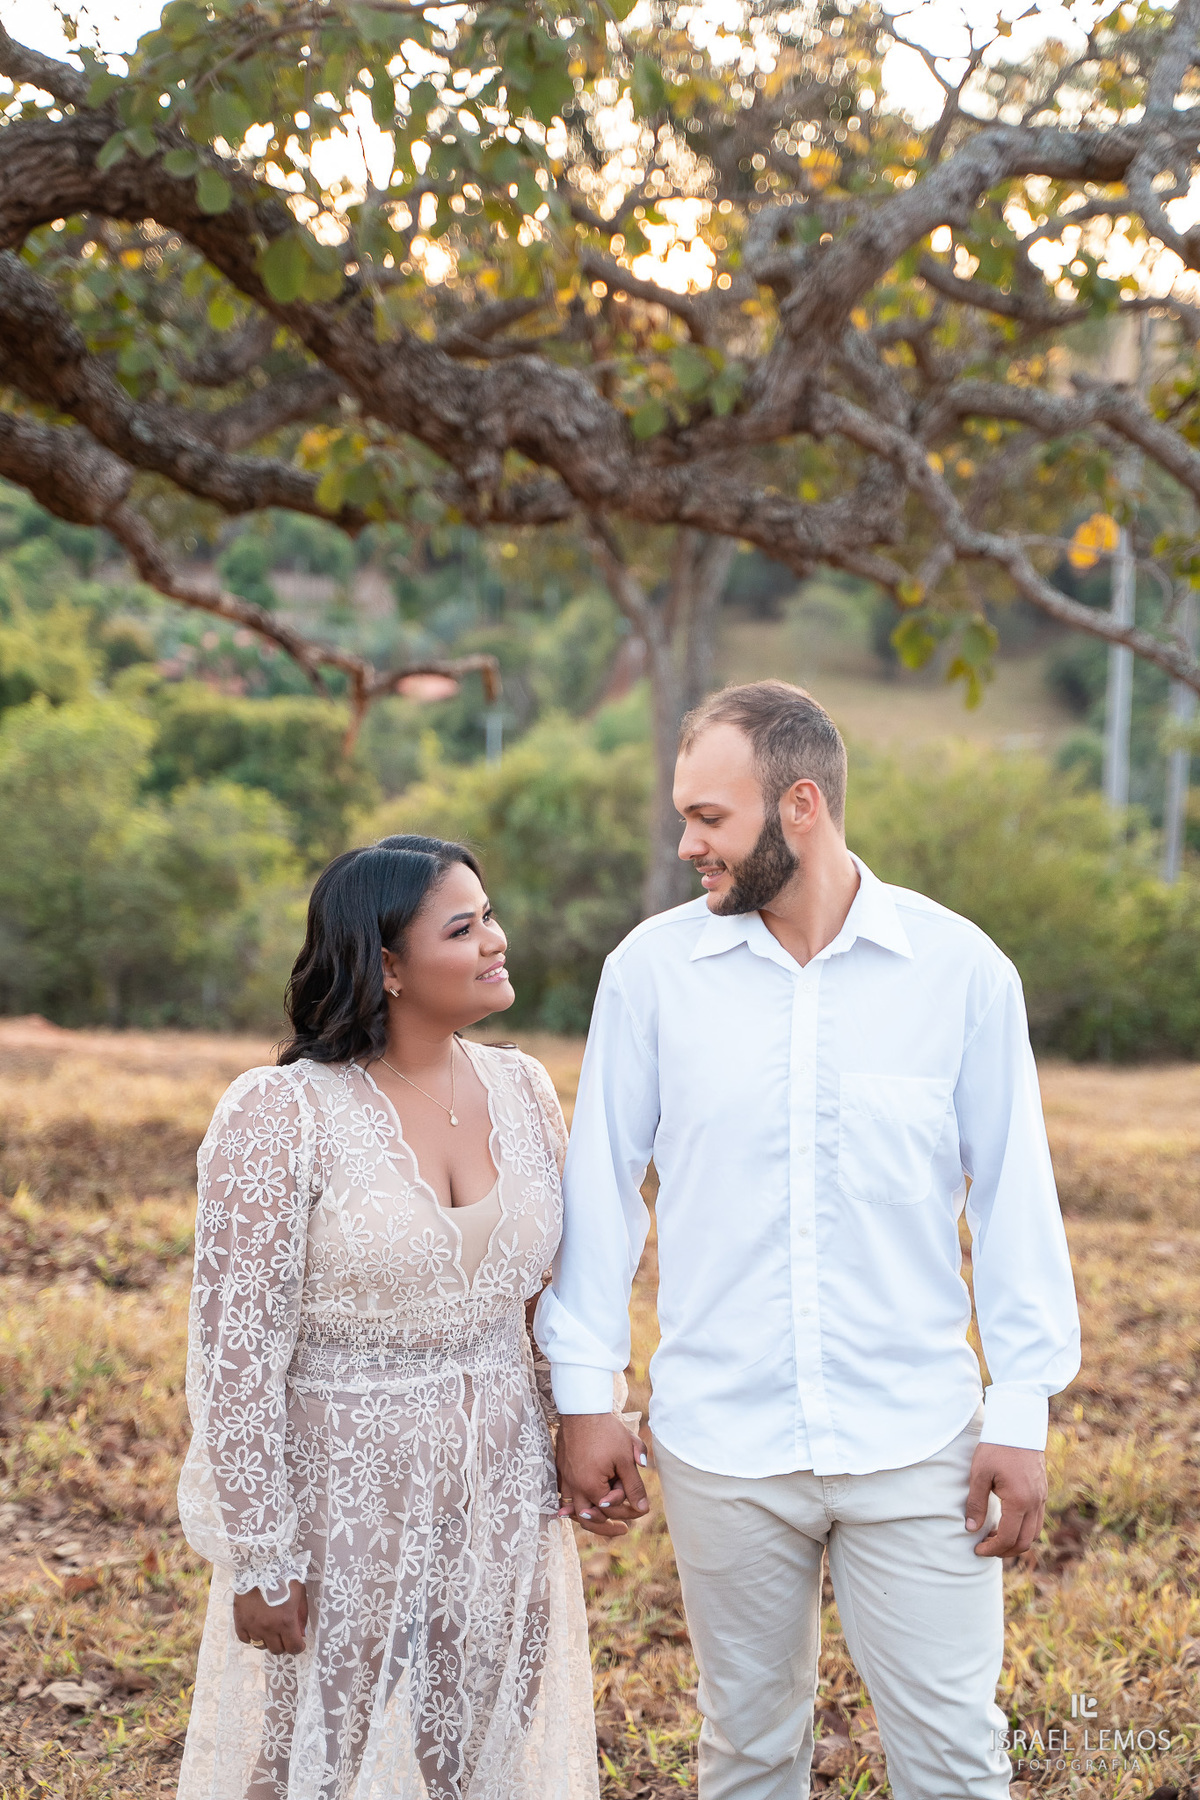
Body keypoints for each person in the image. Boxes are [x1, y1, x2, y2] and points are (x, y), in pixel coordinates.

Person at [535, 681, 1082, 1800]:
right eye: (684, 818)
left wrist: (1021, 1409)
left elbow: (1015, 1199)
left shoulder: (961, 971)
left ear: (799, 806)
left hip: (918, 1443)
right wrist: (586, 1395)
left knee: (955, 1756)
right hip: (720, 1442)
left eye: (709, 818)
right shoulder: (650, 974)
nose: (687, 845)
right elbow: (601, 1191)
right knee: (746, 1751)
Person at [176, 834, 631, 1800]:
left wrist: (584, 1430)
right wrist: (261, 1553)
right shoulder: (283, 1113)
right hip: (343, 1489)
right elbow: (236, 1355)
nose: (495, 940)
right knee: (306, 1762)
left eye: (489, 916)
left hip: (499, 1480)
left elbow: (545, 1301)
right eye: (463, 929)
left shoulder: (522, 1089)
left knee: (476, 1754)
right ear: (386, 964)